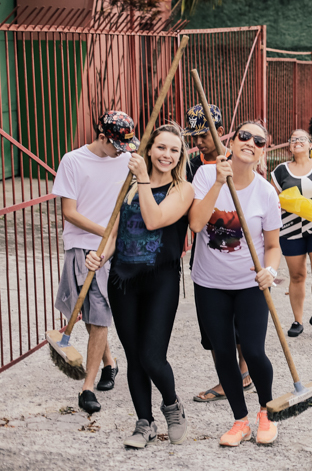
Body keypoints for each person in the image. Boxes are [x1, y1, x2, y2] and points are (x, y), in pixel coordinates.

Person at [85, 125, 194, 448]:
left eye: (174, 150)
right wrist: (99, 257)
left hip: (160, 281)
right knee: (134, 356)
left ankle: (172, 405)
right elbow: (115, 235)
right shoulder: (129, 186)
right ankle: (144, 423)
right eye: (161, 148)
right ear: (149, 150)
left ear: (180, 156)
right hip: (124, 280)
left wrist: (143, 179)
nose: (167, 155)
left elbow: (155, 220)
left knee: (152, 356)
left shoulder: (182, 189)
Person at [189, 121, 282, 447]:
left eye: (259, 140)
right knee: (224, 354)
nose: (251, 142)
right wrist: (218, 182)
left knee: (254, 351)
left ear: (262, 151)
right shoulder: (205, 175)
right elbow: (197, 223)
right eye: (245, 136)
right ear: (232, 140)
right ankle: (240, 420)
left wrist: (269, 270)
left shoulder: (266, 192)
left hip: (250, 285)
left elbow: (273, 245)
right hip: (210, 284)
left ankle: (266, 413)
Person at [52, 111, 134, 414]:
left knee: (99, 314)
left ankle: (86, 387)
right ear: (101, 137)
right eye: (116, 145)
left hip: (110, 249)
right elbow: (69, 212)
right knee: (88, 312)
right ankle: (109, 363)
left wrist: (115, 236)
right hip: (81, 245)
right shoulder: (73, 161)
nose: (121, 152)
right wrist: (105, 230)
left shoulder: (127, 159)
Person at [183, 104, 252, 403]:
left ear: (221, 132)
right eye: (194, 136)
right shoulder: (189, 166)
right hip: (207, 251)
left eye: (203, 135)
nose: (198, 142)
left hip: (240, 252)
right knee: (213, 328)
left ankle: (243, 373)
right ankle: (228, 378)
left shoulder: (239, 159)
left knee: (243, 324)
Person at [270, 129, 312, 338]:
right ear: (289, 146)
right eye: (293, 139)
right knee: (297, 276)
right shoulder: (280, 171)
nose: (297, 141)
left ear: (310, 144)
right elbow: (272, 202)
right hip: (290, 230)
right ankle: (297, 320)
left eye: (301, 139)